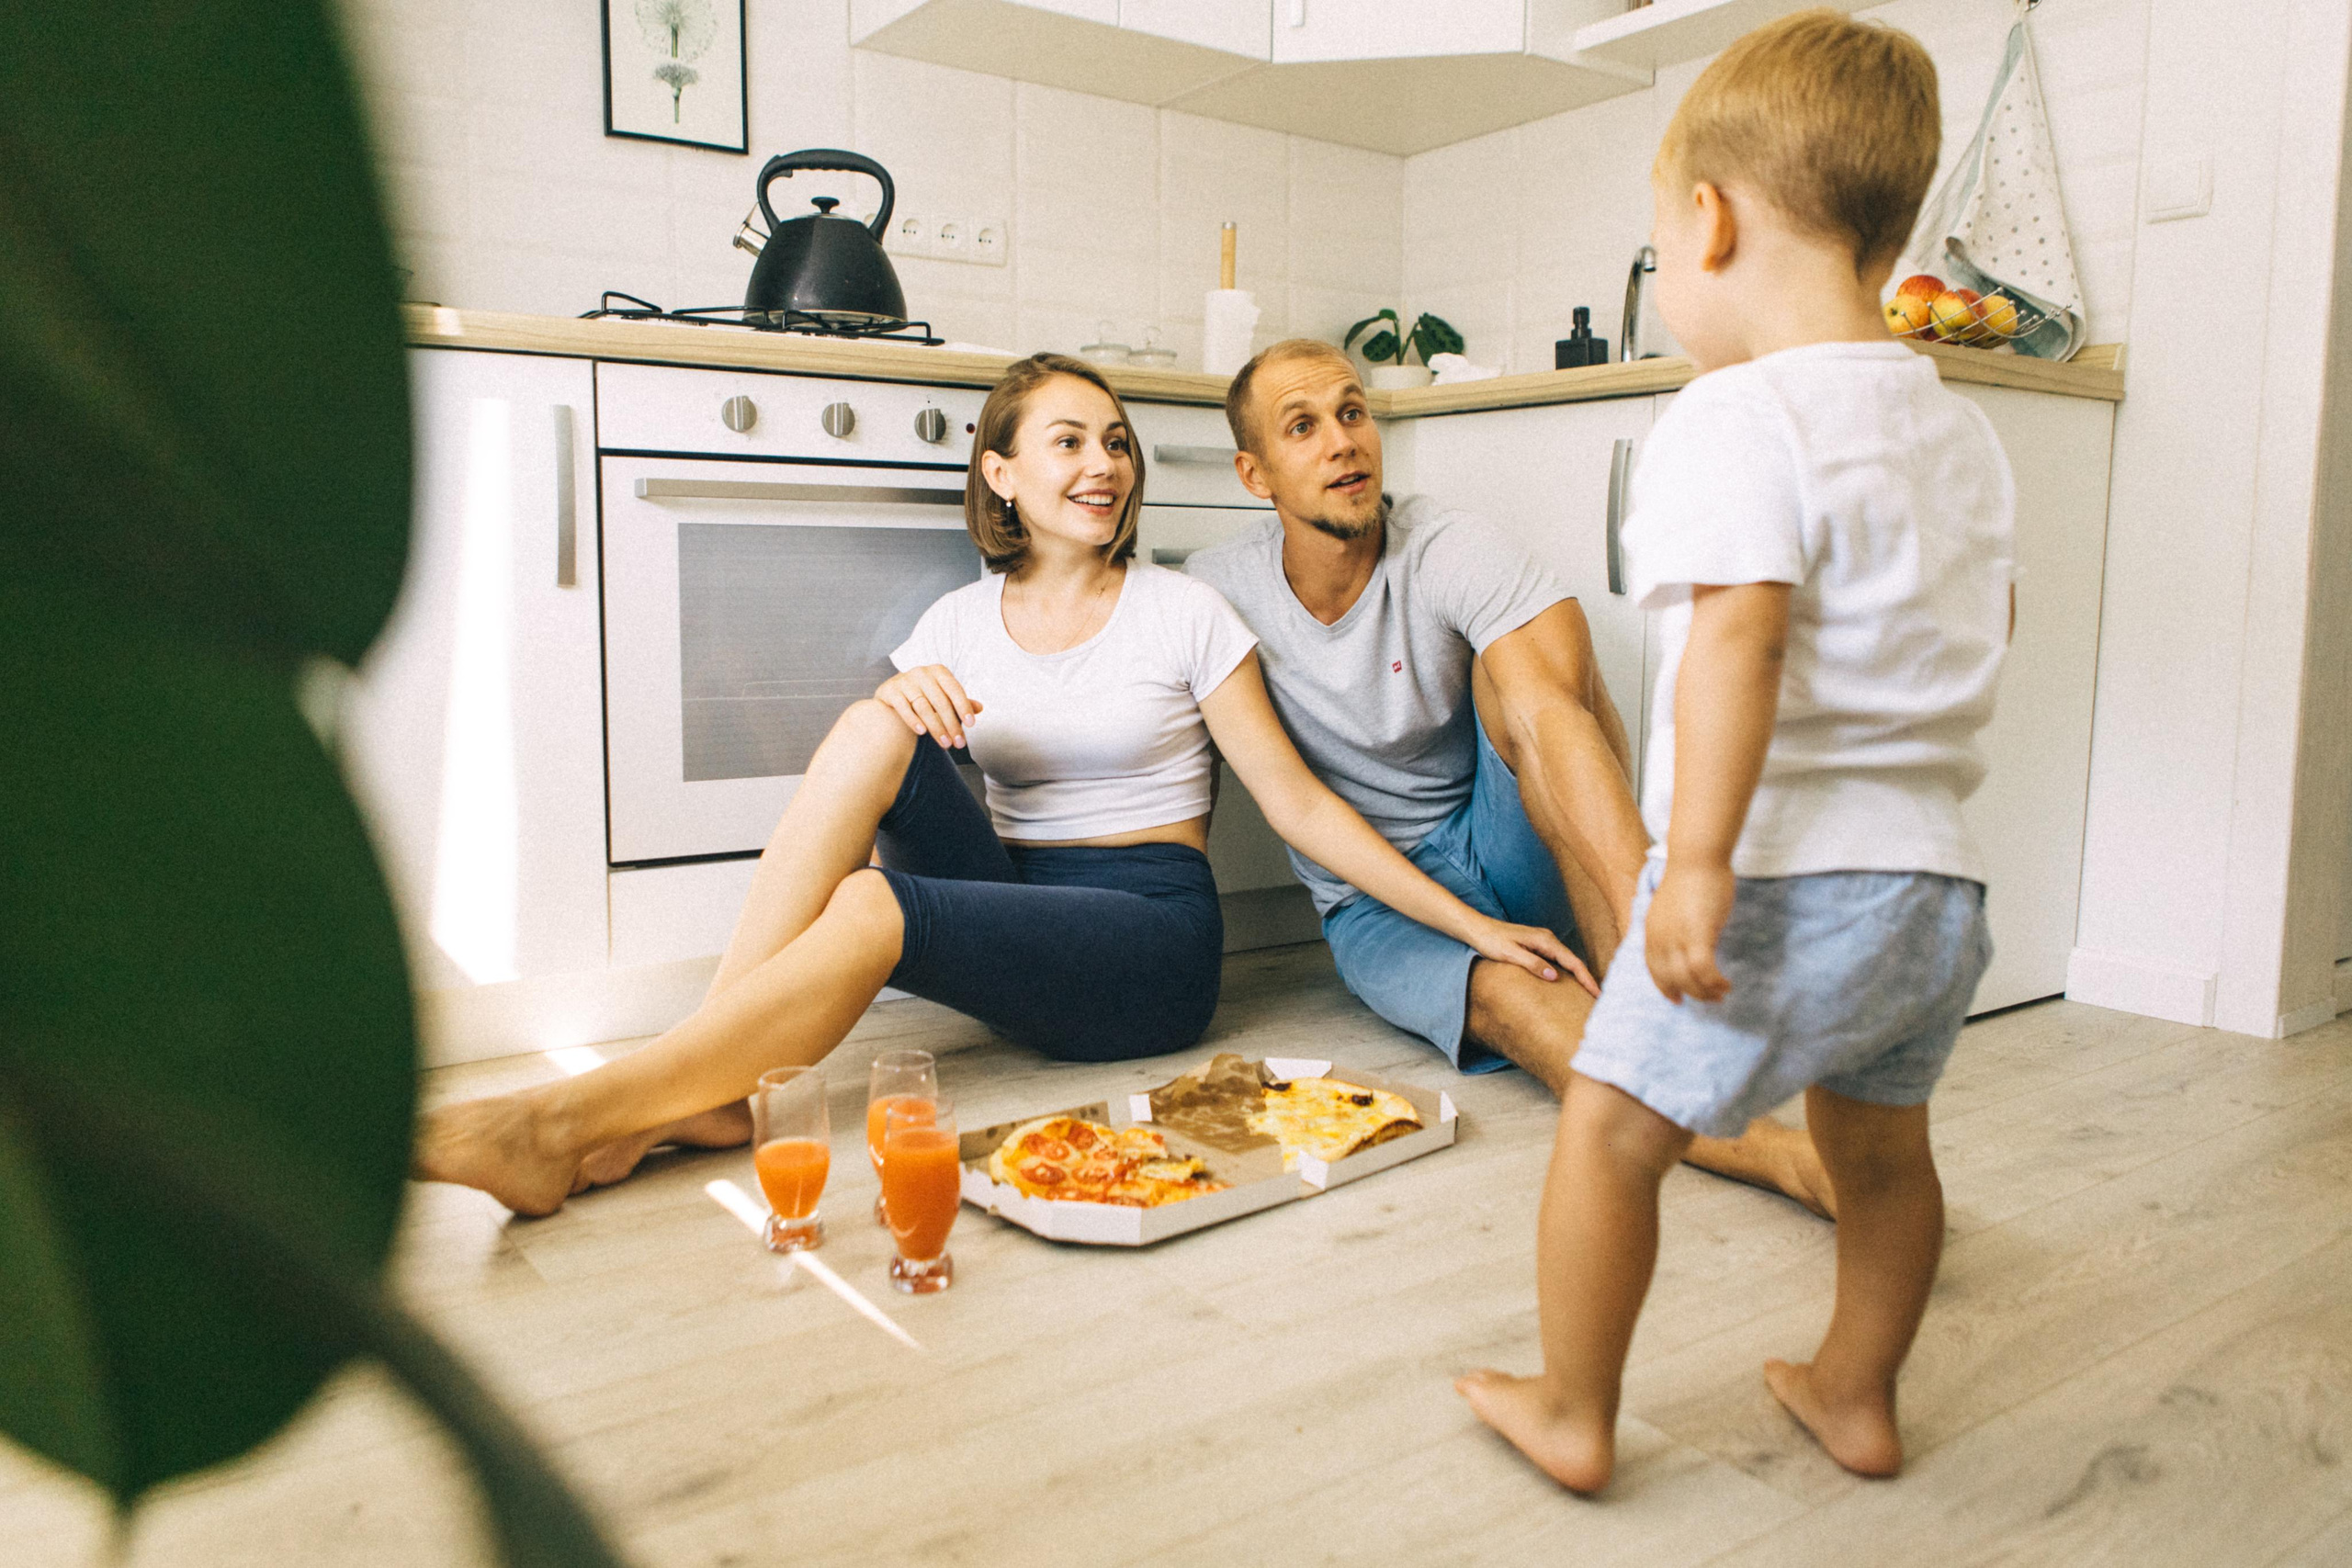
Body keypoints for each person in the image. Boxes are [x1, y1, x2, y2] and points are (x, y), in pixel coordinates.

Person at [413, 353, 1583, 1216]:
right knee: (871, 728)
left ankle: (570, 1118)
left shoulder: (1187, 610)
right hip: (1020, 897)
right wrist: (901, 706)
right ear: (1002, 473)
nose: (1103, 463)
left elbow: (1301, 807)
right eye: (1068, 441)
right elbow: (882, 778)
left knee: (874, 905)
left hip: (1146, 937)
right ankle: (718, 1080)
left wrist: (1471, 924)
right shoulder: (957, 622)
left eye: (1115, 442)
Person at [1455, 11, 2011, 1492]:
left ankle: (1575, 1406)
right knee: (1885, 1150)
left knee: (1613, 1124)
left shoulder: (1734, 411)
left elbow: (1739, 644)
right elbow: (1985, 619)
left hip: (1779, 868)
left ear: (1707, 221)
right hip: (1936, 884)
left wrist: (1689, 862)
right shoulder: (1957, 428)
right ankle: (1855, 1389)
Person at [1187, 338, 1832, 1215]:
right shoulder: (1215, 593)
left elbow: (1569, 706)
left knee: (1521, 668)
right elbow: (1292, 802)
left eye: (1352, 411)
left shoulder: (1445, 542)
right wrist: (1473, 932)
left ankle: (1646, 943)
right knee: (1525, 1015)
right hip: (1377, 906)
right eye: (1303, 427)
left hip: (1510, 837)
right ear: (1256, 476)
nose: (1343, 440)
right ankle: (1793, 1163)